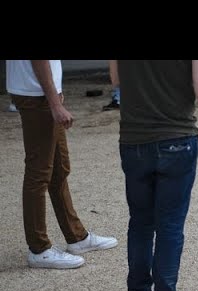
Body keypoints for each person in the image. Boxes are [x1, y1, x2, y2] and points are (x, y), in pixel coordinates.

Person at [114, 60, 198, 291]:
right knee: (169, 226)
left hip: (133, 140)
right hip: (176, 137)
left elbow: (116, 79)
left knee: (140, 223)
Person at [6, 60, 118, 269]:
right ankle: (39, 249)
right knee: (38, 173)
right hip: (37, 95)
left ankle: (76, 237)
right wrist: (55, 103)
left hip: (40, 93)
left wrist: (55, 95)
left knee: (59, 169)